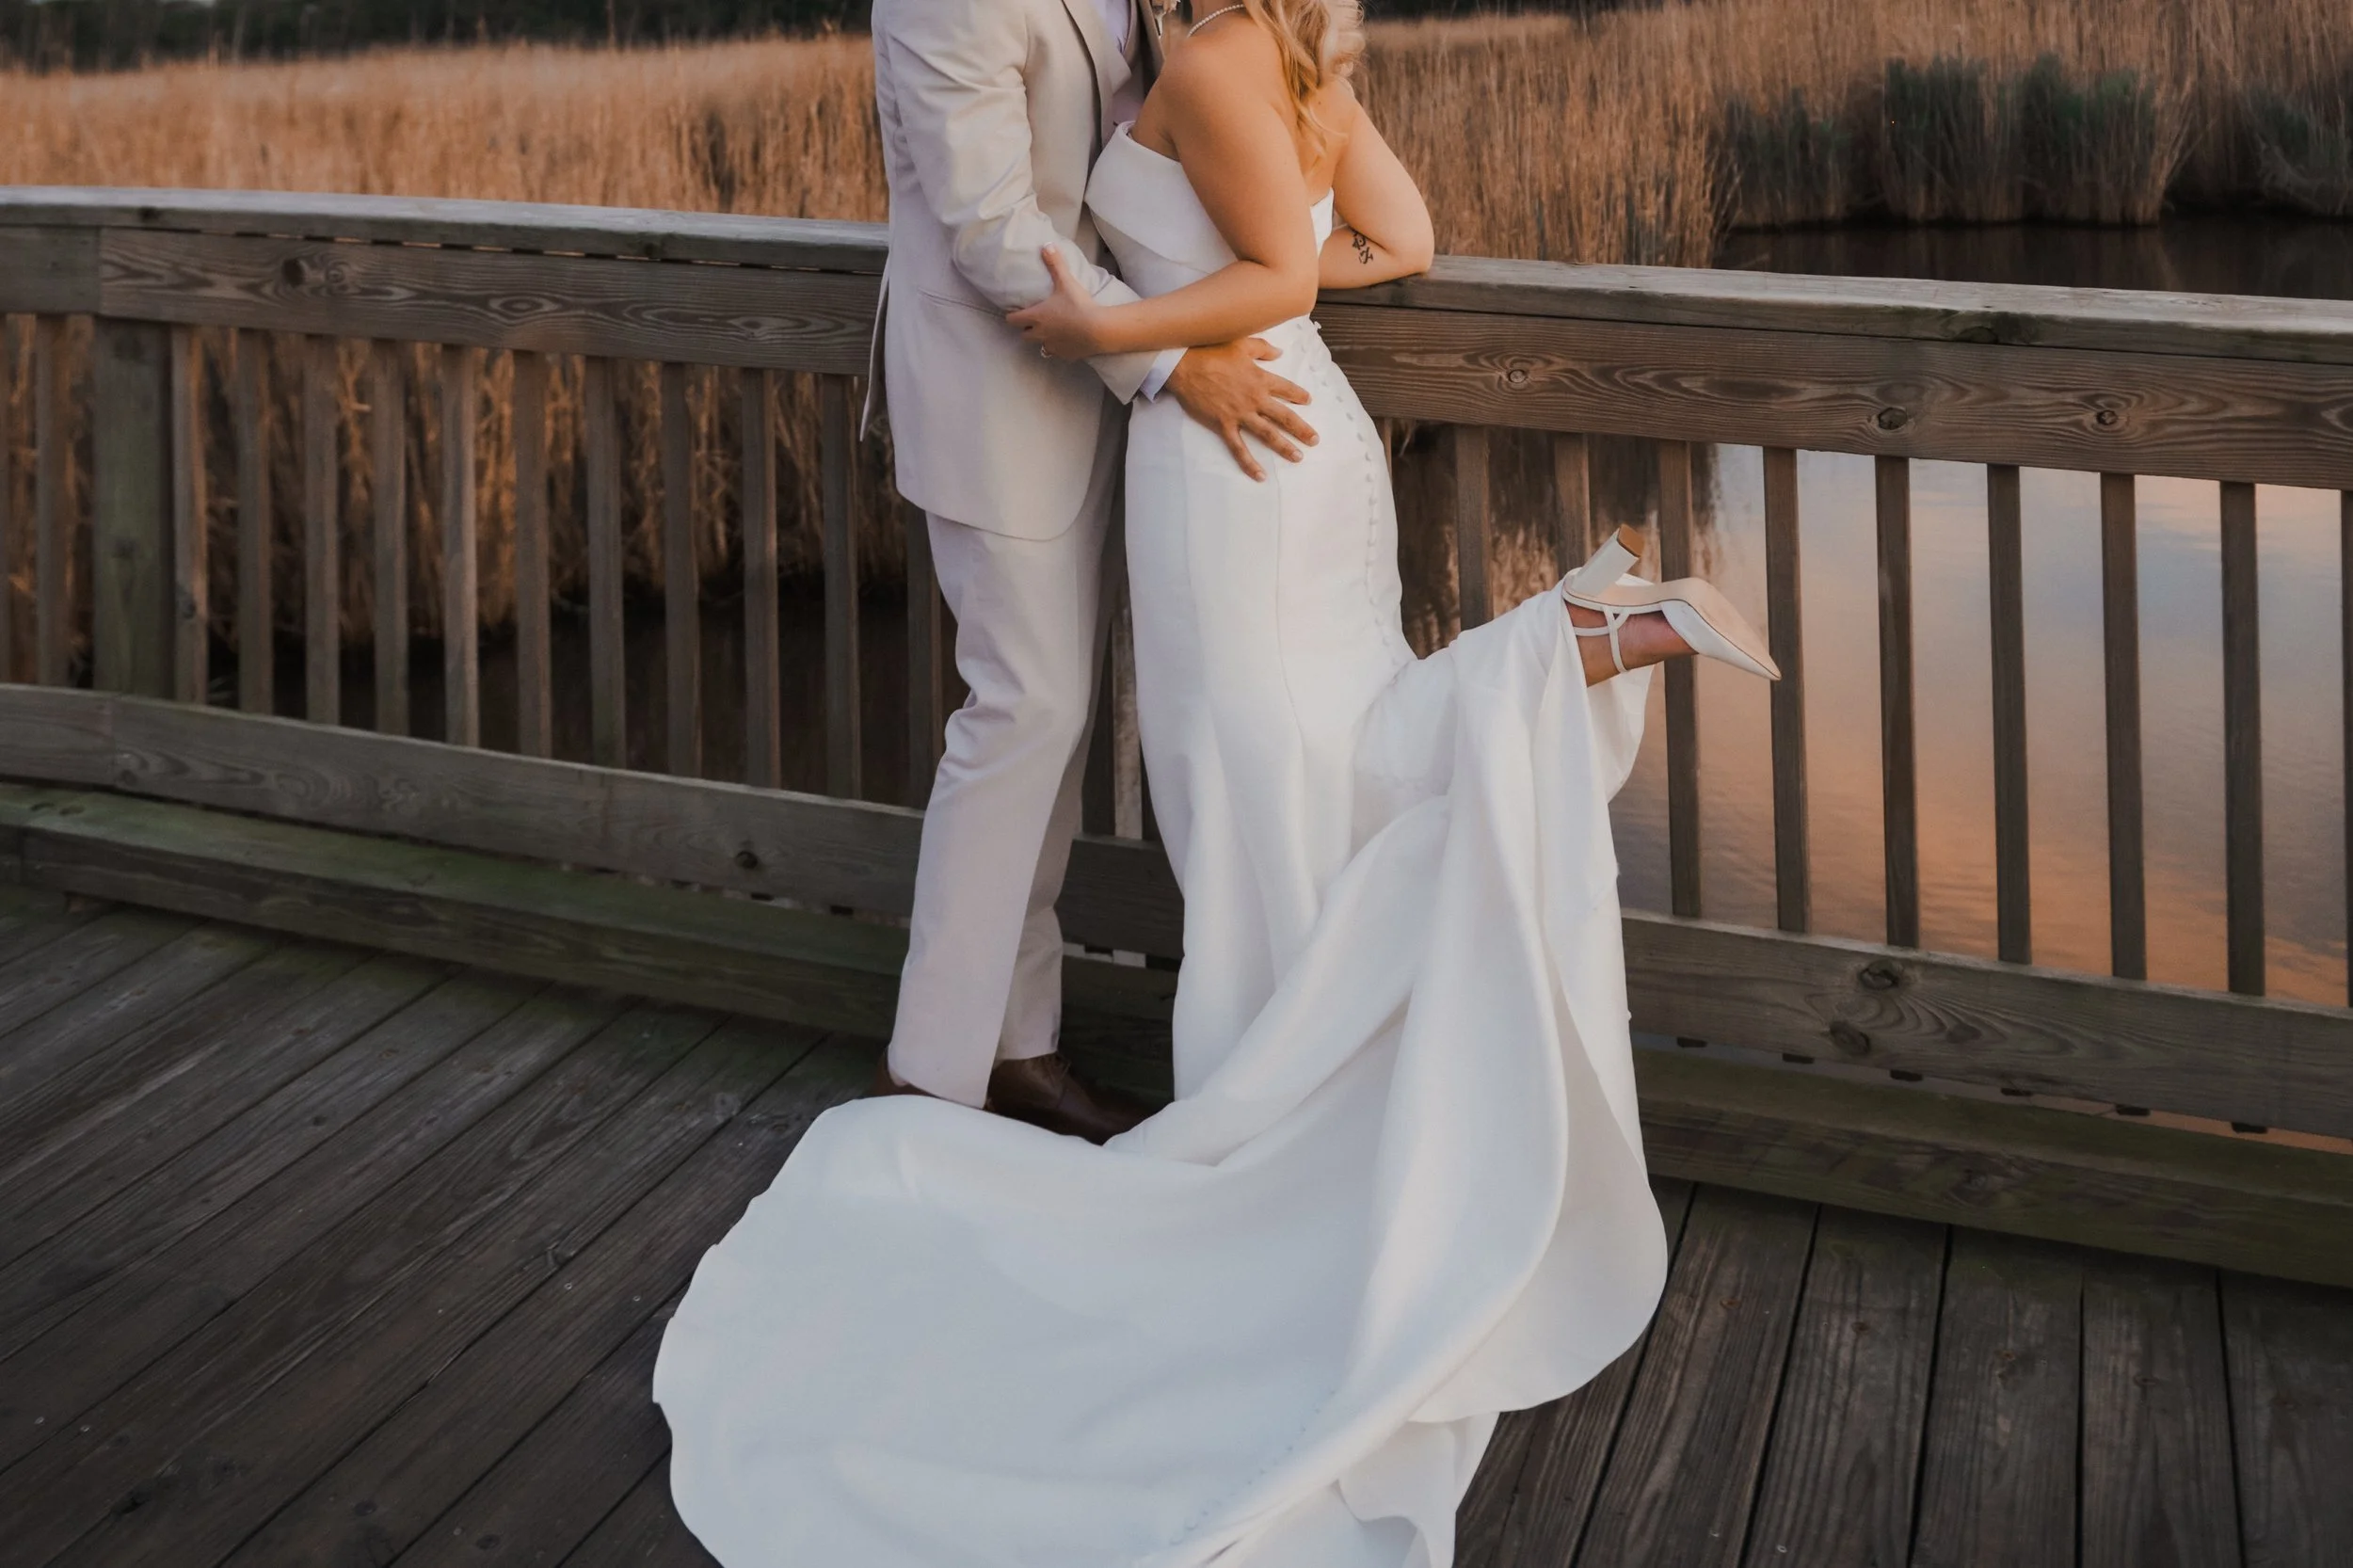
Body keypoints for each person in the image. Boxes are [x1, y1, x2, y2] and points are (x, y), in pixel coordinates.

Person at [654, 0, 1779, 1560]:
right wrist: (1211, 347)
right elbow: (995, 226)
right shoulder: (1075, 20)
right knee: (1146, 733)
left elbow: (1268, 242)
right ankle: (1004, 1055)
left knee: (1238, 780)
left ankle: (1203, 1096)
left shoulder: (1203, 37)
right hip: (1113, 410)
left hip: (1226, 444)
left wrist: (1183, 333)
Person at [863, 0, 1321, 1137]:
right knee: (1023, 712)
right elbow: (986, 225)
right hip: (994, 394)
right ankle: (928, 1075)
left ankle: (1014, 1051)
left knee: (1051, 732)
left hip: (1089, 397)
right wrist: (1172, 354)